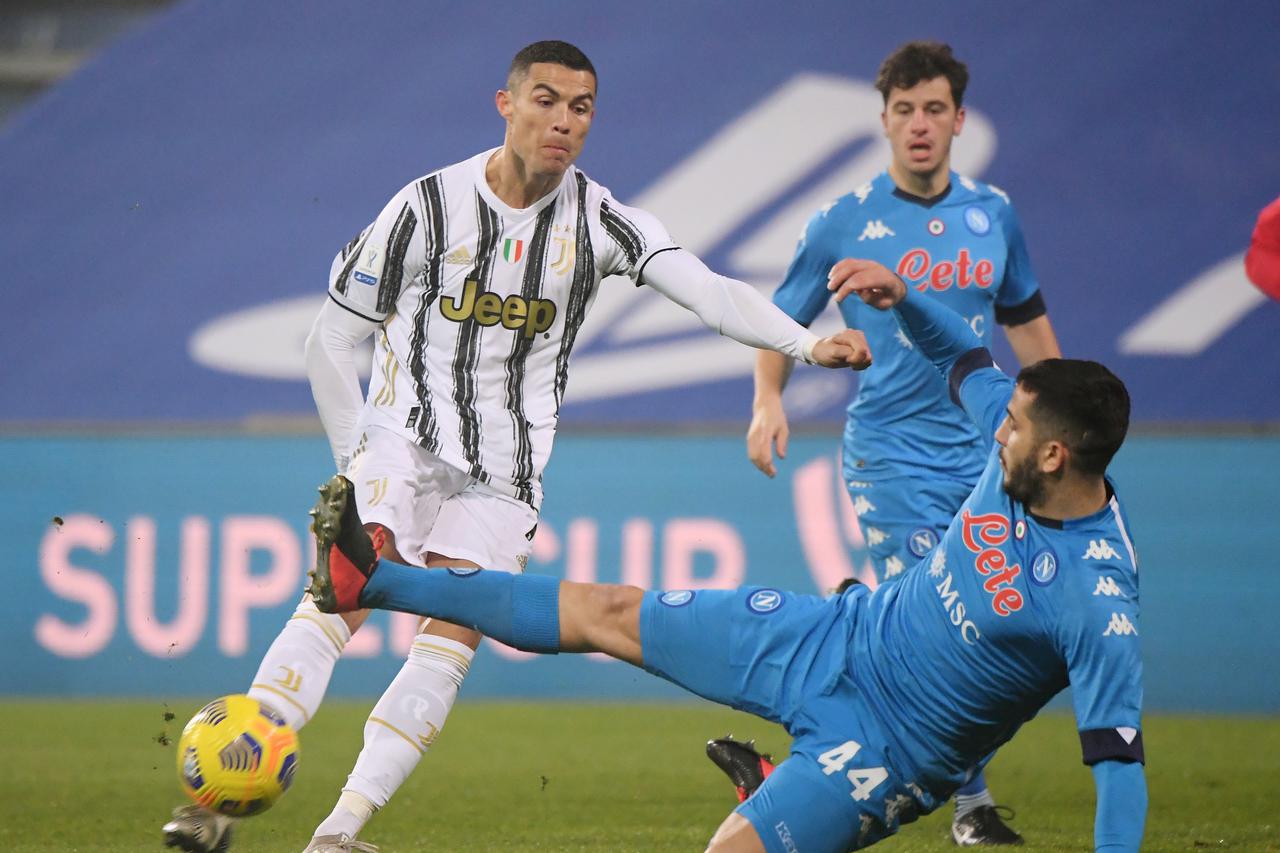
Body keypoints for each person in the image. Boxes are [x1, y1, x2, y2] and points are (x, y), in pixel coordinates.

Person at [161, 40, 871, 853]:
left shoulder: (601, 220)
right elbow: (331, 339)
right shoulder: (425, 207)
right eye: (545, 100)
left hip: (505, 474)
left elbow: (707, 291)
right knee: (343, 592)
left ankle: (338, 833)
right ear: (505, 105)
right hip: (402, 437)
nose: (563, 121)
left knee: (450, 639)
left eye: (581, 107)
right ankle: (213, 809)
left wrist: (810, 346)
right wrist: (353, 465)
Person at [304, 257, 1146, 852]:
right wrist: (907, 299)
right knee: (609, 611)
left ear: (1054, 458)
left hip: (886, 750)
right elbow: (964, 359)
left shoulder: (1096, 601)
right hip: (833, 636)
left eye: (1014, 428)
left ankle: (782, 794)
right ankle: (374, 579)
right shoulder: (1022, 437)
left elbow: (1119, 770)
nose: (998, 427)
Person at [740, 41, 1062, 843]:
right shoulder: (841, 219)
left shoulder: (996, 214)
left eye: (935, 109)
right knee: (945, 621)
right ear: (884, 121)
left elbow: (1023, 320)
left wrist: (1066, 422)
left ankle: (833, 679)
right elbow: (781, 322)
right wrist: (767, 402)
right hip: (890, 450)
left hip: (989, 445)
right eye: (905, 110)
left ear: (959, 119)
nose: (920, 125)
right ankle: (971, 806)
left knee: (1013, 617)